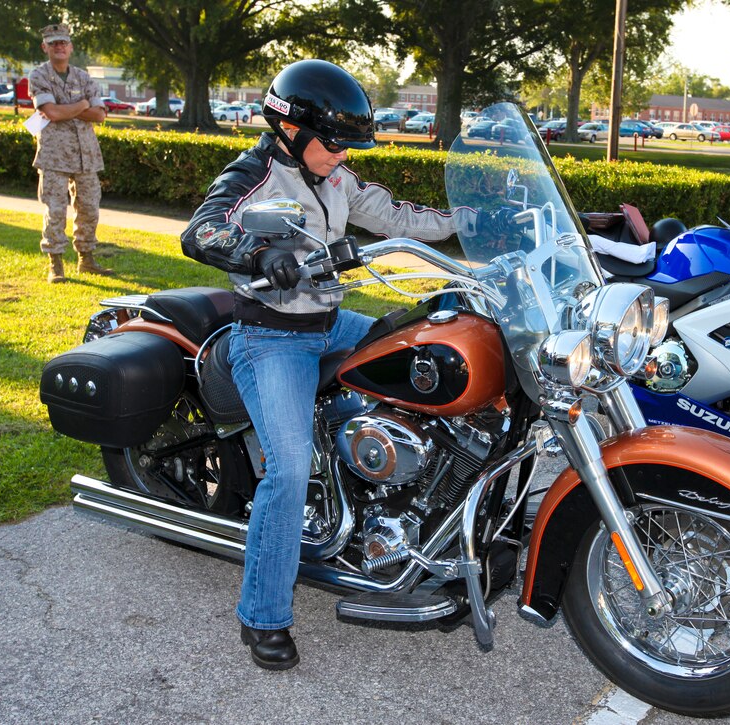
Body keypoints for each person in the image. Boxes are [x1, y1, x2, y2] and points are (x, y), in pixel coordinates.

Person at [180, 59, 504, 671]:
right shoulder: (253, 175)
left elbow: (401, 217)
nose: (341, 155)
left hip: (329, 324)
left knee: (437, 350)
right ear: (289, 129)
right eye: (334, 143)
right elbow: (202, 230)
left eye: (347, 146)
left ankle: (415, 505)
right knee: (289, 466)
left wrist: (480, 223)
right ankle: (263, 616)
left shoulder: (335, 178)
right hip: (271, 337)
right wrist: (256, 249)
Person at [29, 23, 112, 283]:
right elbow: (50, 113)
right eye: (53, 43)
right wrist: (82, 104)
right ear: (45, 47)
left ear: (70, 46)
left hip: (86, 154)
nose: (59, 47)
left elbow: (99, 115)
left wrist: (64, 107)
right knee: (55, 210)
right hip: (54, 155)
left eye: (63, 42)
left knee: (89, 208)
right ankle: (56, 264)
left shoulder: (83, 77)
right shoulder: (39, 76)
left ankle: (86, 259)